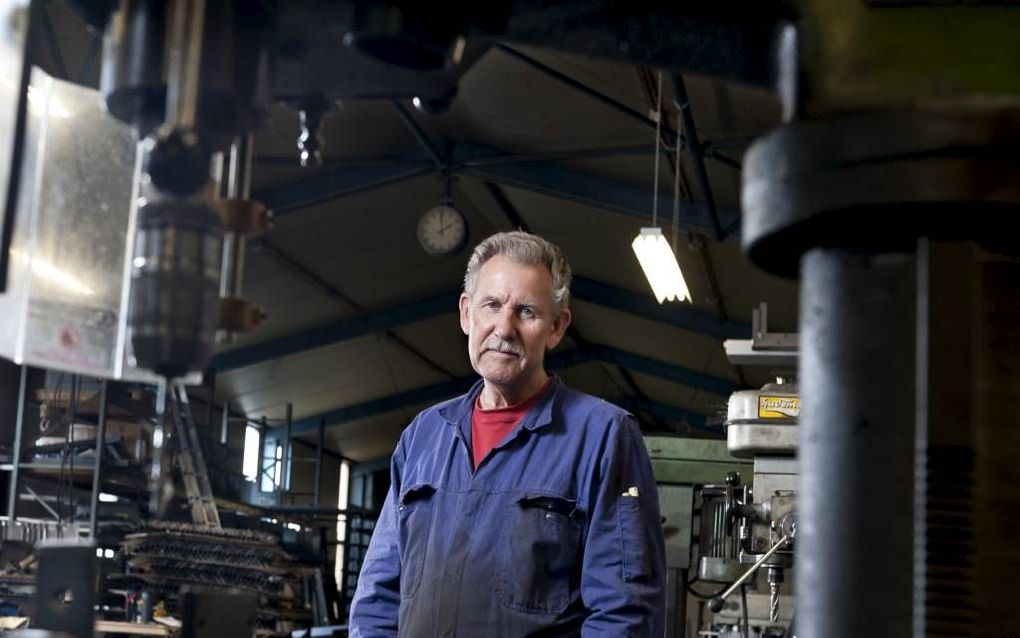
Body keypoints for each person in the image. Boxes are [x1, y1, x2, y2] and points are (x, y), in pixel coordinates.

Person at [349, 231, 666, 636]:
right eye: (492, 305)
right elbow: (378, 594)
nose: (504, 327)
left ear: (556, 327)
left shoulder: (603, 437)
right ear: (467, 314)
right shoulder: (423, 437)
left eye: (527, 312)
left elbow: (625, 614)